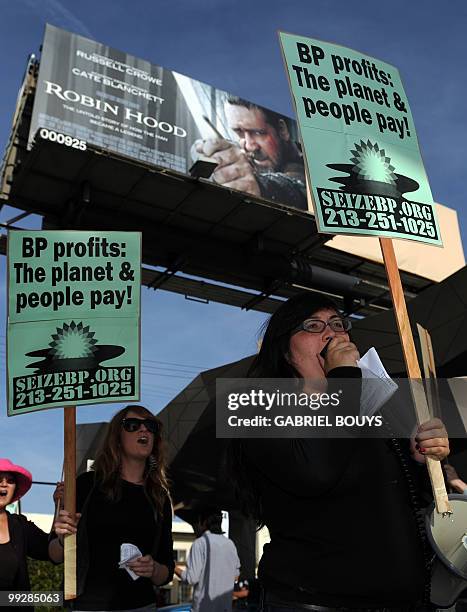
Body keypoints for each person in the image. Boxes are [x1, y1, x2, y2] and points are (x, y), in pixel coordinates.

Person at [230, 292, 450, 611]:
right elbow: (316, 473)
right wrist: (344, 379)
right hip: (313, 602)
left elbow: (407, 502)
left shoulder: (367, 413)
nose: (331, 332)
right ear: (285, 351)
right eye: (314, 325)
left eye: (337, 323)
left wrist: (423, 460)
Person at [55, 405, 174, 611]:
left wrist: (153, 569)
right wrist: (62, 537)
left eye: (150, 426)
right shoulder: (86, 484)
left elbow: (166, 573)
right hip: (89, 606)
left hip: (141, 605)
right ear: (117, 437)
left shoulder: (159, 497)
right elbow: (54, 554)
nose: (143, 430)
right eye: (133, 425)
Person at [193, 97, 307, 210]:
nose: (249, 146)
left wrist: (259, 186)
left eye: (258, 133)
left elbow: (297, 187)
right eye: (239, 132)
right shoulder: (244, 155)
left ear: (282, 129)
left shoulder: (309, 167)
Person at [0, 458, 64, 611]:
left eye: (10, 481)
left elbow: (52, 552)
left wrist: (59, 506)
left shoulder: (20, 525)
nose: (4, 484)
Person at [175, 508, 240, 612]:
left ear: (204, 523)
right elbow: (235, 576)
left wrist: (173, 567)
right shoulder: (230, 544)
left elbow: (191, 578)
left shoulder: (200, 543)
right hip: (225, 608)